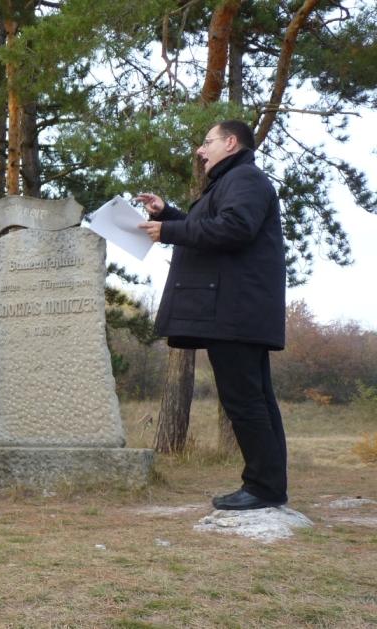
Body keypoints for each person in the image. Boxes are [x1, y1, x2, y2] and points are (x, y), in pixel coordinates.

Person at [136, 119, 288, 511]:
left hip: (235, 311)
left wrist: (168, 231)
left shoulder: (245, 179)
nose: (200, 150)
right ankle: (268, 485)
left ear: (231, 143)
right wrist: (167, 214)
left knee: (245, 401)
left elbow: (234, 229)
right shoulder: (232, 182)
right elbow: (208, 226)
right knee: (254, 399)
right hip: (237, 310)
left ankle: (264, 488)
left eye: (208, 142)